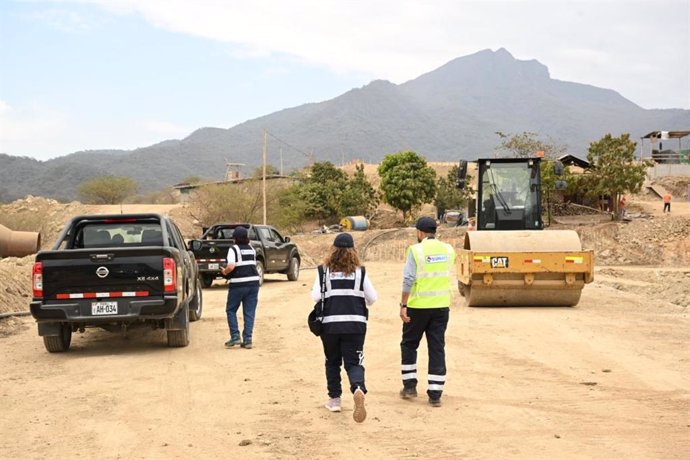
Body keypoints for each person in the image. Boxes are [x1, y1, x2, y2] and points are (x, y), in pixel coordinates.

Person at [311, 232, 377, 423]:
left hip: (329, 325)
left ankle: (334, 400)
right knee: (354, 362)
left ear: (333, 250)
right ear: (353, 251)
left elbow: (315, 296)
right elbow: (372, 298)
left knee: (332, 361)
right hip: (355, 325)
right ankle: (357, 388)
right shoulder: (360, 272)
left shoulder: (323, 272)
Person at [399, 216, 455, 407]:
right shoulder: (448, 250)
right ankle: (435, 393)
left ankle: (409, 386)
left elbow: (408, 279)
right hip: (441, 307)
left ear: (420, 233)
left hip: (418, 307)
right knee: (436, 348)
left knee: (409, 344)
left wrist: (403, 305)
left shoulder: (416, 250)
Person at [221, 226, 260, 349]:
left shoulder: (233, 249)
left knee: (231, 310)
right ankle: (248, 340)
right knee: (249, 312)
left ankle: (235, 336)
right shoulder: (252, 249)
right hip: (254, 283)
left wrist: (224, 271)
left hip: (238, 284)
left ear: (235, 238)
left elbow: (231, 266)